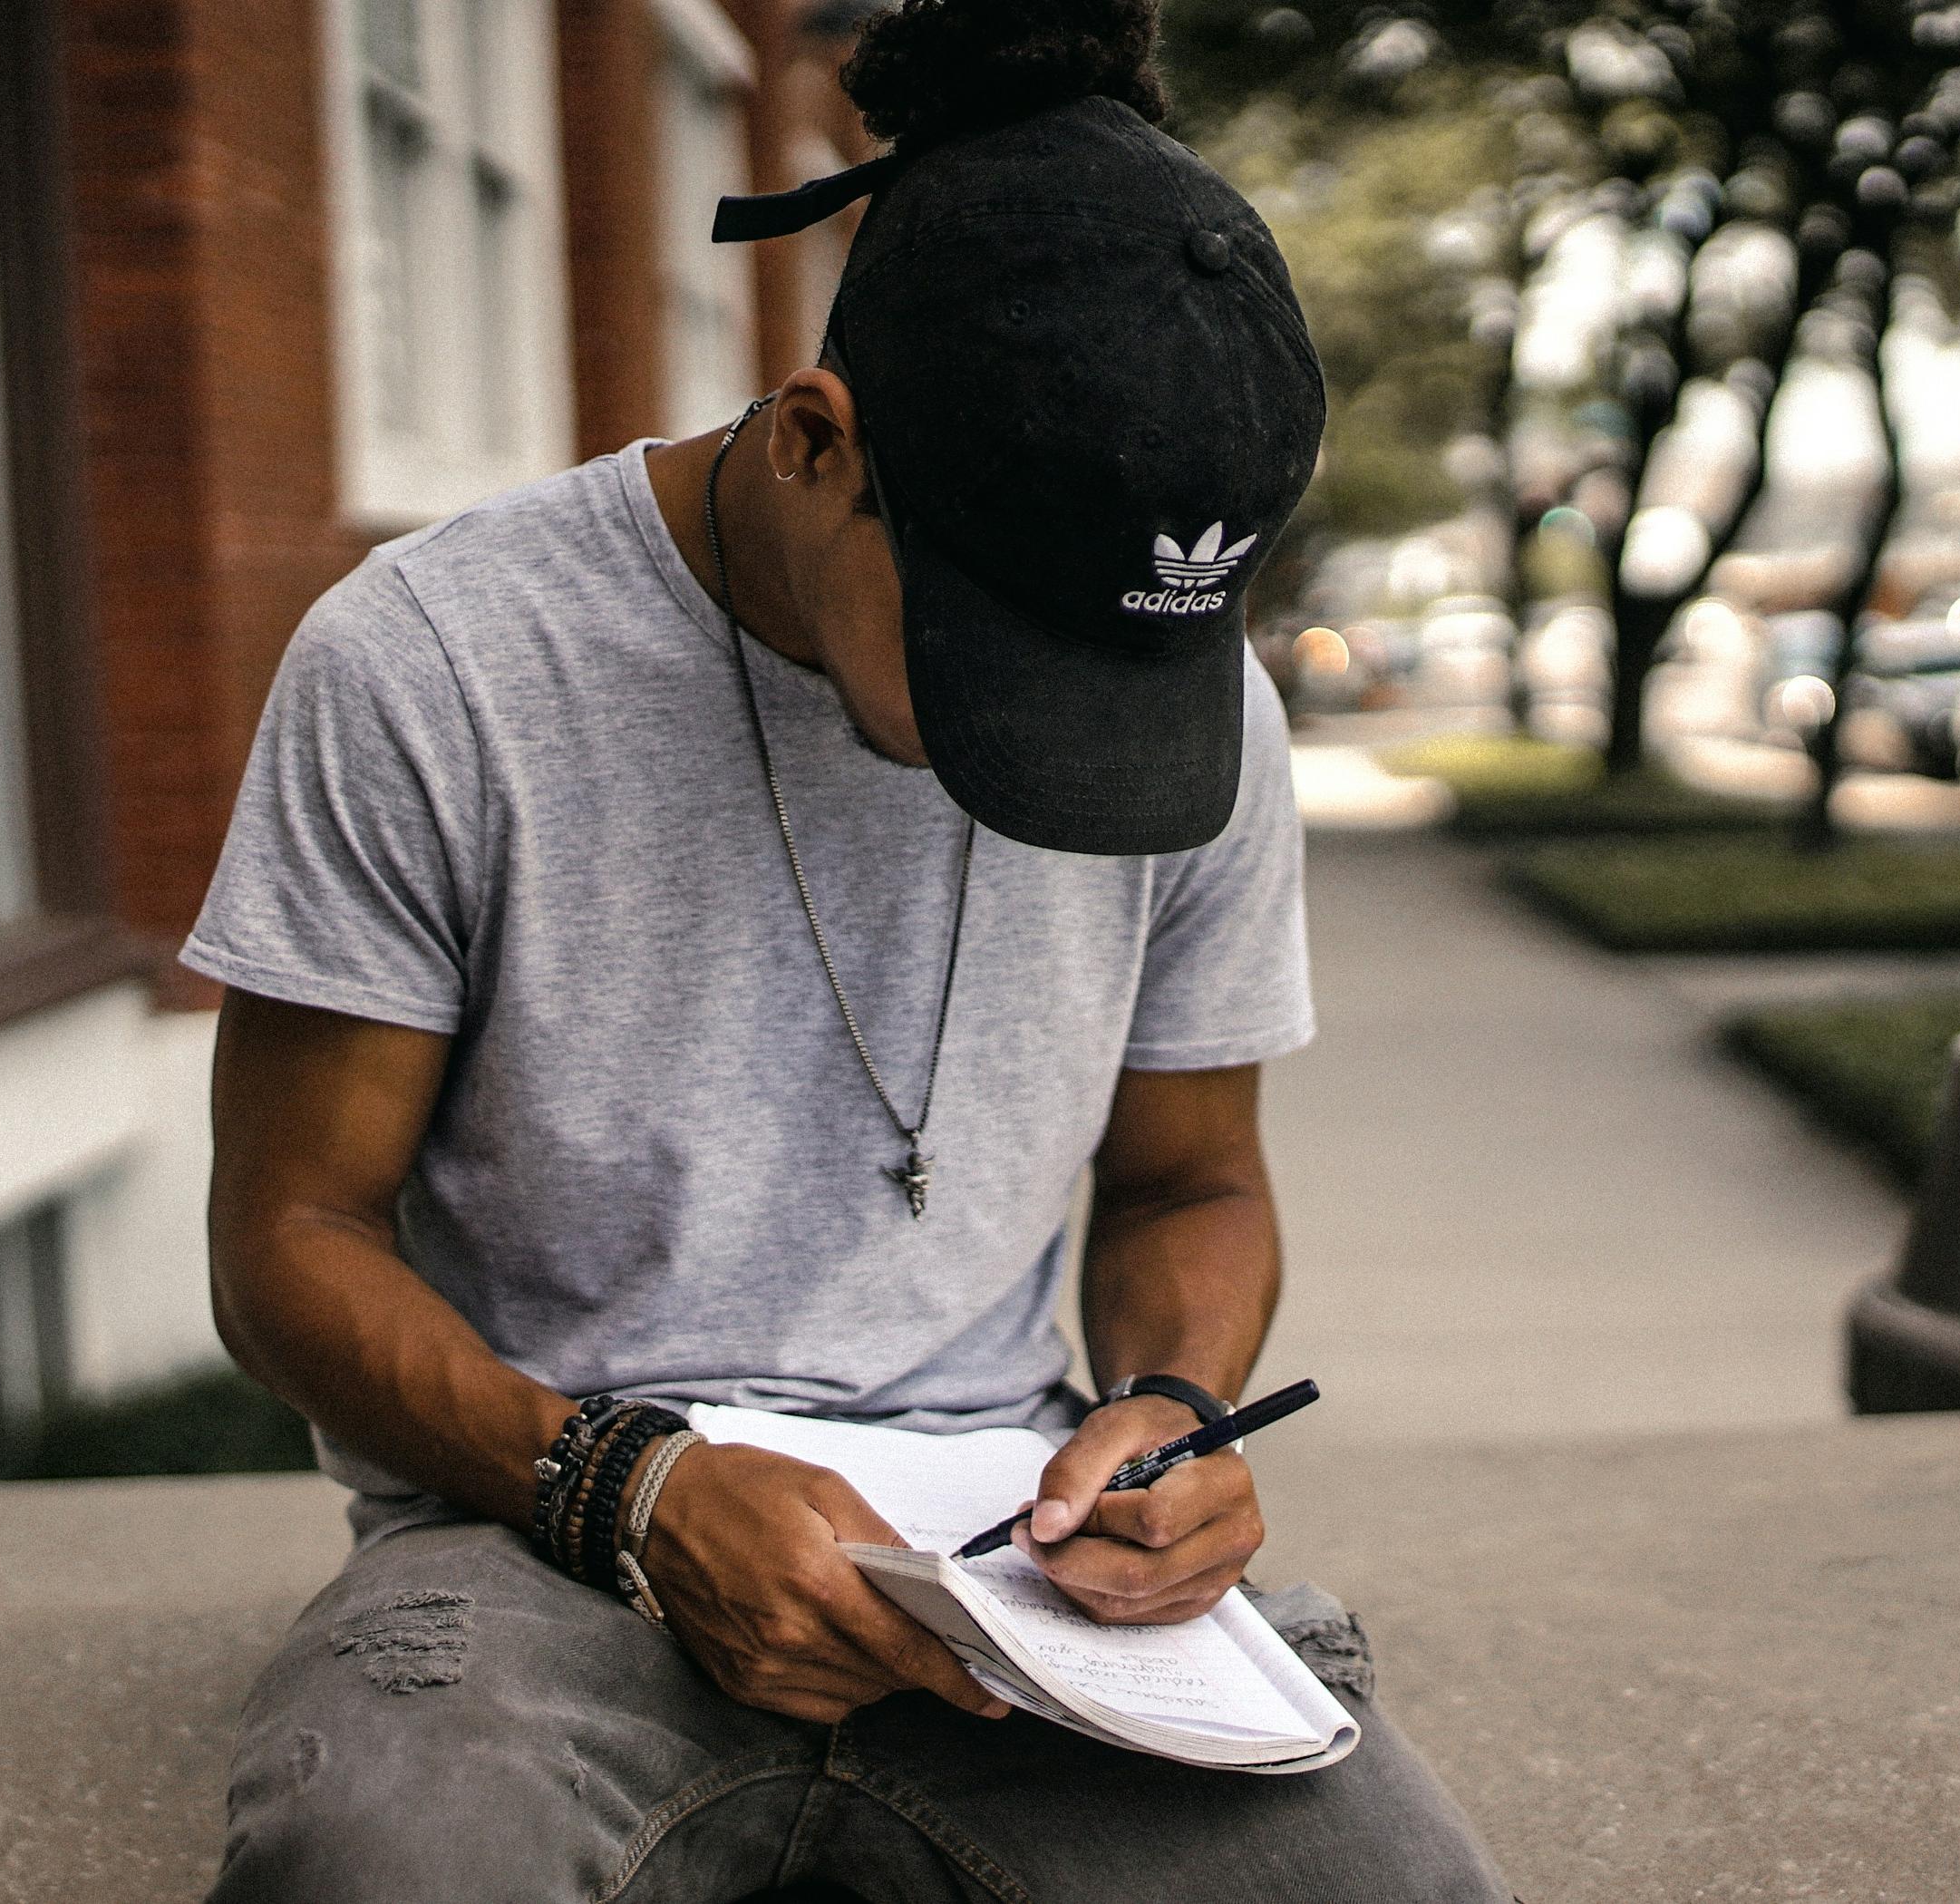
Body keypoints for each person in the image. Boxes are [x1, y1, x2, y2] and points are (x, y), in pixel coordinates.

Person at [187, 3, 1514, 1898]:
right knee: (391, 1866)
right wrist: (628, 1485)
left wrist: (1165, 1413)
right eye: (1003, 659)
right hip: (539, 1524)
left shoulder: (1205, 710)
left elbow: (1189, 1179)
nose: (1066, 731)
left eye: (1121, 666)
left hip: (1006, 1561)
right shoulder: (436, 662)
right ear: (818, 445)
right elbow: (288, 1243)